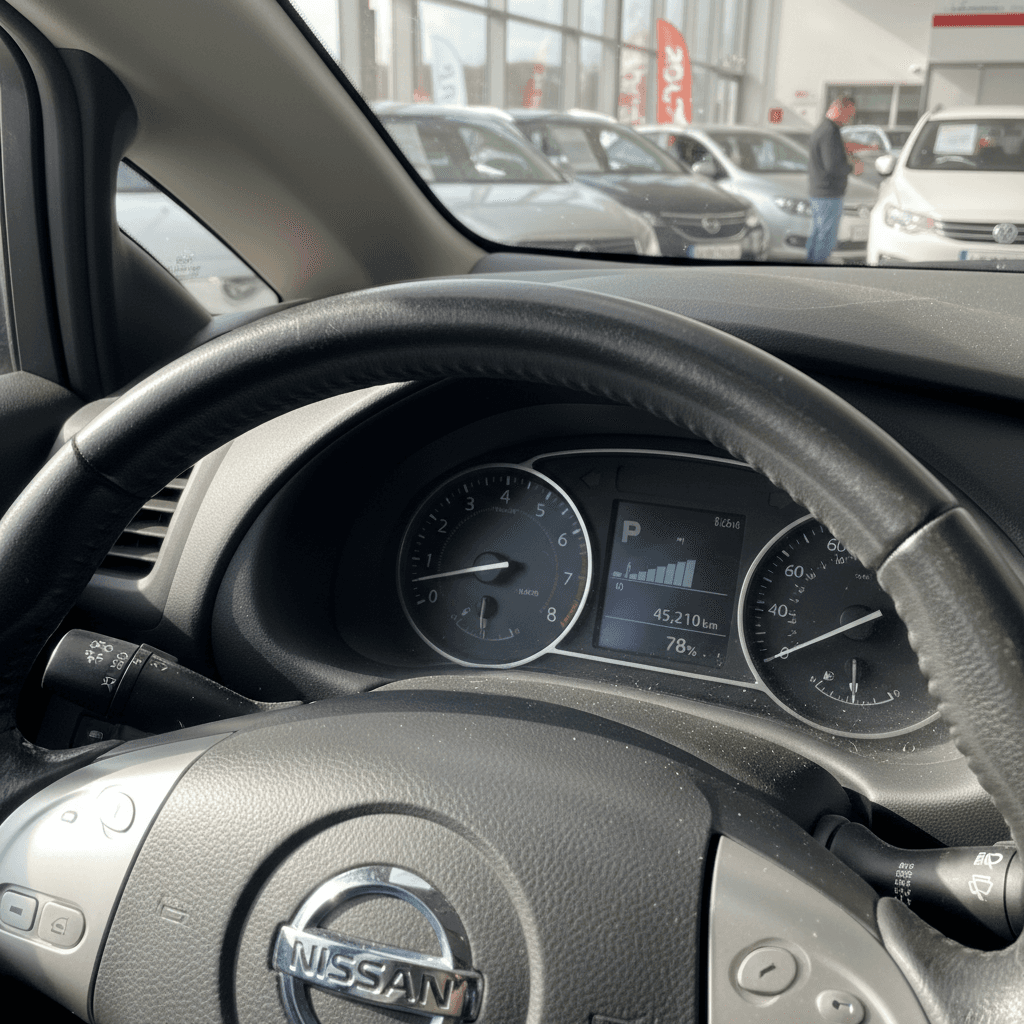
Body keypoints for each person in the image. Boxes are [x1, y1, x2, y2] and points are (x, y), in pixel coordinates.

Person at [806, 97, 856, 264]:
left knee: (818, 233)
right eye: (849, 114)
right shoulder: (830, 132)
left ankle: (810, 266)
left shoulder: (822, 129)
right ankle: (819, 270)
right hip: (829, 193)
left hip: (820, 191)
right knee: (826, 237)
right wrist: (853, 168)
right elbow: (833, 166)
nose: (849, 119)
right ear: (839, 109)